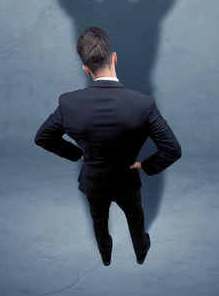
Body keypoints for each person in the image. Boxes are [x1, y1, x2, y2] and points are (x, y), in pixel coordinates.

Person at [34, 27, 182, 266]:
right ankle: (141, 252)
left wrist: (79, 154)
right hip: (127, 178)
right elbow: (173, 149)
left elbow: (43, 137)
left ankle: (106, 256)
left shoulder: (68, 103)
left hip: (94, 179)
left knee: (99, 220)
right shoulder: (143, 104)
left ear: (85, 68)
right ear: (113, 57)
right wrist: (145, 166)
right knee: (136, 217)